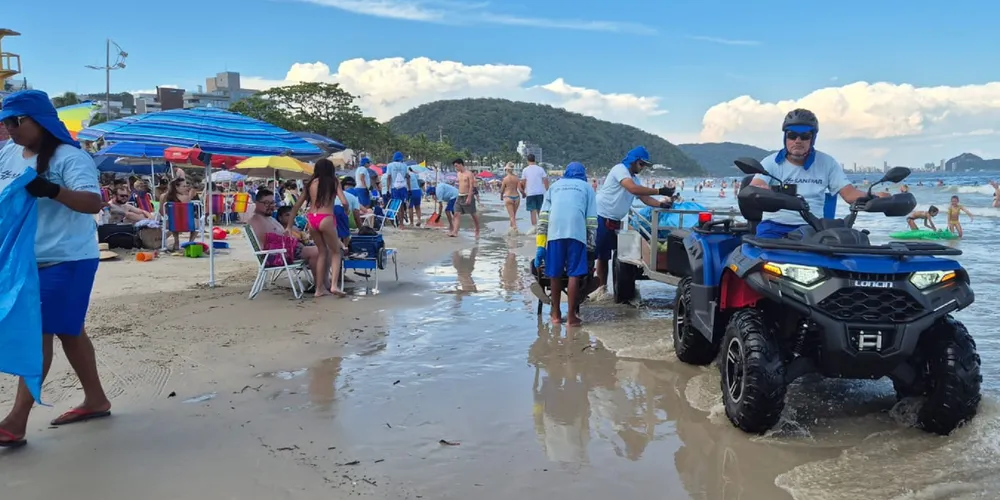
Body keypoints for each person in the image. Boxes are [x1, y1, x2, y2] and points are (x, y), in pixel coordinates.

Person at [0, 89, 111, 447]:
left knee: (39, 331)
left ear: (39, 121)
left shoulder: (70, 158)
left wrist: (49, 190)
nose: (9, 128)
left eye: (15, 121)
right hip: (25, 259)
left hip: (69, 259)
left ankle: (15, 422)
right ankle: (96, 399)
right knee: (70, 331)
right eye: (4, 121)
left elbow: (93, 202)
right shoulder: (8, 154)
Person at [748, 109, 888, 239]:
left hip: (812, 228)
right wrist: (761, 190)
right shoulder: (771, 162)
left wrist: (875, 196)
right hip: (774, 225)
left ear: (812, 138)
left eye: (804, 136)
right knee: (761, 258)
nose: (798, 141)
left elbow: (849, 194)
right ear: (785, 137)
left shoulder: (827, 162)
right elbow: (757, 184)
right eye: (792, 135)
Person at [594, 146, 675, 290]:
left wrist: (661, 205)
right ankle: (599, 289)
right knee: (601, 256)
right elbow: (632, 189)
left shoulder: (635, 179)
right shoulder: (620, 169)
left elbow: (644, 198)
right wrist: (659, 190)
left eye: (644, 165)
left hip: (616, 220)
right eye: (641, 164)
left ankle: (605, 288)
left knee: (611, 255)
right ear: (633, 161)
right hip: (602, 216)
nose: (643, 167)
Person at [534, 162, 597, 326]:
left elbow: (543, 217)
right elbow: (591, 220)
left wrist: (540, 245)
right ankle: (571, 317)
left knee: (554, 274)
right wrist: (591, 246)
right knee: (574, 274)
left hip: (554, 232)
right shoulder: (586, 187)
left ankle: (555, 315)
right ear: (583, 174)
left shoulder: (554, 187)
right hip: (577, 233)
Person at [285, 159, 350, 298]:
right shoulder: (333, 181)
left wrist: (289, 225)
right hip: (326, 217)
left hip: (312, 219)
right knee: (336, 252)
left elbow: (296, 206)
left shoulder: (310, 183)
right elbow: (344, 201)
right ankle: (333, 285)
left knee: (322, 252)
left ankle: (319, 289)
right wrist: (346, 210)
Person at [250, 188, 320, 278]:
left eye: (272, 203)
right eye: (266, 203)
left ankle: (324, 282)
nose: (270, 206)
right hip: (279, 254)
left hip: (287, 249)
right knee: (317, 252)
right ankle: (319, 285)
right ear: (257, 203)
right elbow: (265, 243)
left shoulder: (268, 218)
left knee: (323, 249)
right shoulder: (257, 220)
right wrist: (290, 241)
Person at [159, 177, 197, 251]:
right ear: (176, 187)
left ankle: (176, 242)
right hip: (186, 225)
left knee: (174, 219)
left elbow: (161, 211)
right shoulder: (185, 198)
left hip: (170, 225)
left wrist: (168, 219)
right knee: (197, 222)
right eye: (184, 186)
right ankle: (190, 242)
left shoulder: (163, 196)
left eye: (186, 186)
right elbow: (190, 213)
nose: (186, 188)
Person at [452, 158, 480, 237]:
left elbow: (472, 186)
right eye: (455, 166)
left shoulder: (469, 173)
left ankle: (477, 229)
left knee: (473, 214)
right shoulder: (458, 173)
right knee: (456, 213)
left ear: (461, 164)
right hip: (460, 196)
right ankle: (455, 231)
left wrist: (469, 197)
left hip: (468, 195)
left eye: (456, 166)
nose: (456, 168)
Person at [520, 154, 548, 229]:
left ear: (527, 160)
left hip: (530, 193)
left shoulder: (525, 170)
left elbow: (523, 182)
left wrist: (523, 192)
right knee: (540, 210)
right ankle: (542, 227)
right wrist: (547, 190)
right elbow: (545, 180)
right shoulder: (540, 169)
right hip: (540, 192)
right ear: (534, 160)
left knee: (532, 211)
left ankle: (534, 228)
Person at [386, 152, 410, 227]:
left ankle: (400, 223)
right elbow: (408, 177)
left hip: (394, 188)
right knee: (402, 206)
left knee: (397, 206)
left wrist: (387, 189)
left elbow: (389, 178)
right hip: (403, 188)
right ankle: (402, 223)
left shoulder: (390, 165)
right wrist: (409, 189)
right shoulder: (405, 165)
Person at [500, 162, 521, 231]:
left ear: (506, 170)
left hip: (508, 197)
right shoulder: (516, 178)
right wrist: (523, 193)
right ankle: (510, 229)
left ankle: (515, 228)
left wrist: (501, 196)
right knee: (513, 215)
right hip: (517, 197)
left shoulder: (505, 179)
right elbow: (520, 188)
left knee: (511, 216)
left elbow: (502, 190)